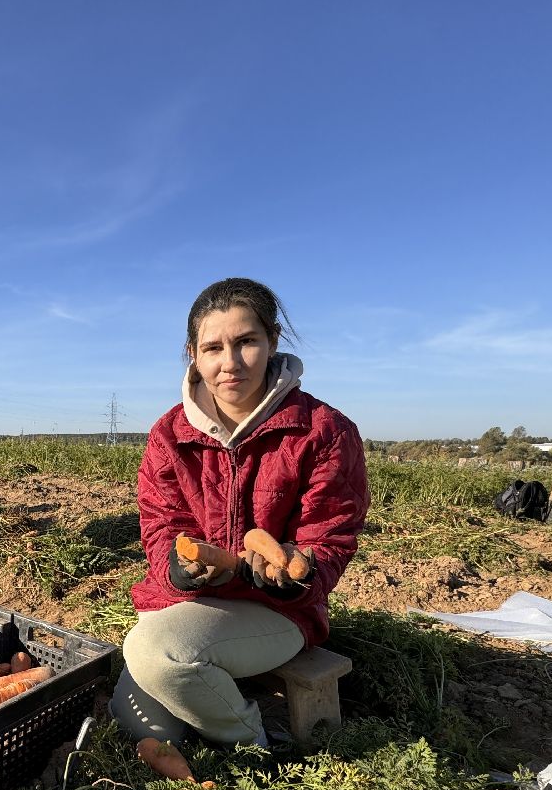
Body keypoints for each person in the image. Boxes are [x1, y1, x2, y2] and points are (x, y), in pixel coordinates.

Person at [110, 278, 369, 749]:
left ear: (272, 341)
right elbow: (161, 524)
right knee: (144, 726)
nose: (229, 363)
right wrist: (178, 567)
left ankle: (250, 746)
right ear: (193, 354)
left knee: (156, 655)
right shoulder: (169, 434)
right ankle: (205, 685)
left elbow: (331, 535)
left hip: (276, 610)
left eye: (246, 341)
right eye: (213, 348)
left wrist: (295, 570)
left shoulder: (324, 431)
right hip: (189, 604)